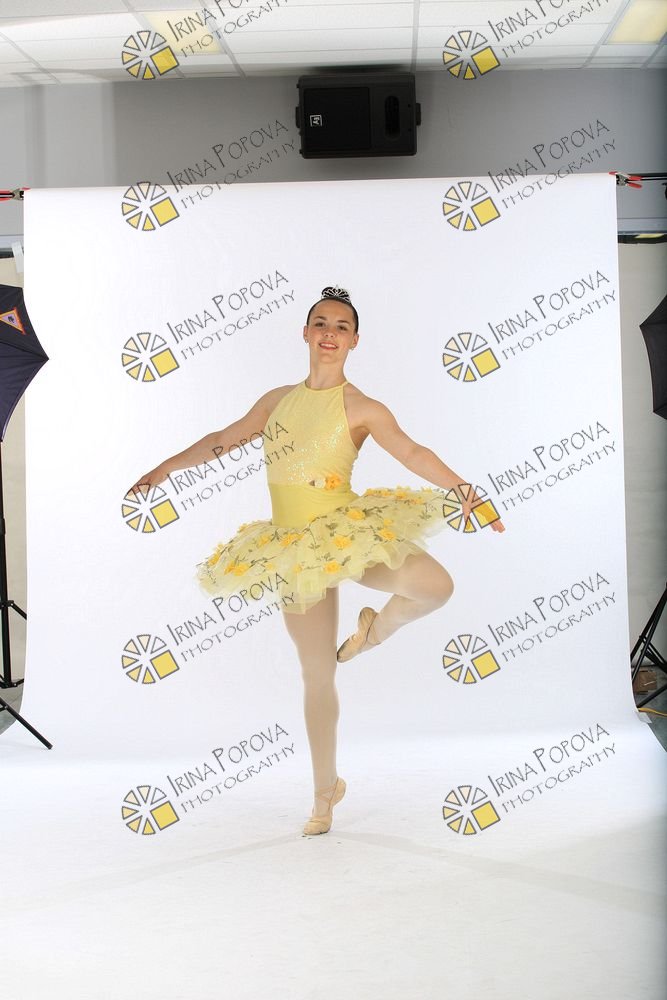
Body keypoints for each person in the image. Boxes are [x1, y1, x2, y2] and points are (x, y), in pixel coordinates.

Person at [130, 286, 505, 837]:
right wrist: (165, 468)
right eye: (321, 324)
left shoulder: (363, 407)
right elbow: (222, 439)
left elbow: (412, 452)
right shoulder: (277, 401)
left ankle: (372, 633)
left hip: (346, 533)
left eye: (341, 327)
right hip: (290, 548)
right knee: (317, 673)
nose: (330, 333)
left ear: (355, 341)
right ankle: (325, 790)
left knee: (435, 586)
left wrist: (464, 490)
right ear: (306, 334)